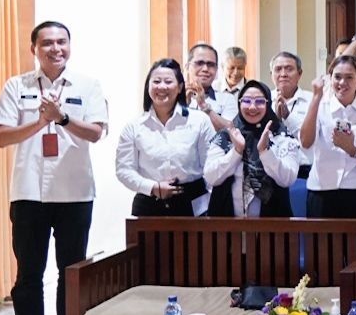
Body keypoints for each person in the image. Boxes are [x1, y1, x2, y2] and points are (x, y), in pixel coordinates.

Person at [0, 21, 109, 315]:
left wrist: (62, 117)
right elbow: (1, 137)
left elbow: (95, 132)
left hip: (74, 193)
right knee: (28, 275)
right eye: (47, 43)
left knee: (71, 273)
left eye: (61, 42)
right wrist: (40, 122)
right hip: (28, 194)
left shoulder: (87, 85)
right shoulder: (17, 86)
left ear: (69, 46)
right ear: (34, 49)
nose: (55, 48)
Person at [116, 59, 217, 217]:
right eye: (156, 81)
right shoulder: (134, 126)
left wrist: (212, 203)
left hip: (193, 203)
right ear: (148, 86)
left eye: (168, 82)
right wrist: (152, 187)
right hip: (149, 203)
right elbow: (124, 169)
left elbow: (211, 166)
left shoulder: (199, 121)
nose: (162, 87)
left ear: (180, 87)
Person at [300, 55, 356, 219]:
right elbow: (305, 142)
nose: (342, 83)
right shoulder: (320, 108)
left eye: (349, 77)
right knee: (320, 245)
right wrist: (316, 98)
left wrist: (352, 150)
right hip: (322, 192)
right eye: (337, 77)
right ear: (330, 79)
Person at [204, 79, 301, 217]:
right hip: (227, 227)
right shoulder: (227, 136)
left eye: (260, 101)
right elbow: (211, 177)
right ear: (239, 103)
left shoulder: (282, 136)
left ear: (268, 104)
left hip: (272, 228)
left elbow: (287, 179)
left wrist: (265, 152)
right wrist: (236, 152)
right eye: (247, 101)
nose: (252, 107)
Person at [185, 42, 235, 131]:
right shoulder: (172, 98)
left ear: (216, 69)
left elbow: (231, 131)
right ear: (187, 67)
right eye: (199, 63)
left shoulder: (227, 99)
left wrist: (204, 106)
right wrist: (182, 104)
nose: (205, 69)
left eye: (211, 64)